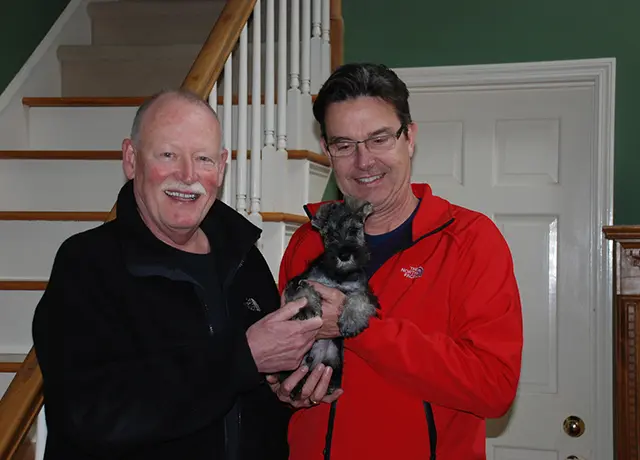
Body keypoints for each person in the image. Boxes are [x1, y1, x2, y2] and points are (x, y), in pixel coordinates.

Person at [31, 89, 328, 460]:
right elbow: (91, 414)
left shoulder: (245, 260)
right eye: (168, 155)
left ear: (222, 166)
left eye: (203, 158)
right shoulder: (87, 264)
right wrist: (243, 357)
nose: (187, 175)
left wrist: (284, 392)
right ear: (130, 159)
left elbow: (248, 394)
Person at [267, 63, 524, 459]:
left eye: (379, 139)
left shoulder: (470, 240)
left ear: (410, 138)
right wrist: (284, 388)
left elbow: (493, 389)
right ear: (327, 151)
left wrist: (360, 326)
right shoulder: (306, 241)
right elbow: (285, 357)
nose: (363, 161)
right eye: (344, 144)